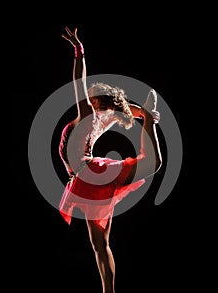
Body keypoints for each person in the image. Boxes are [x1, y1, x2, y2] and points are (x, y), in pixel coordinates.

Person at [58, 26, 162, 293]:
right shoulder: (106, 116)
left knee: (153, 163)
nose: (87, 97)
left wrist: (79, 53)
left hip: (88, 173)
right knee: (99, 246)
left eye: (92, 96)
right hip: (85, 182)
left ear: (96, 100)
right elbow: (131, 111)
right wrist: (146, 114)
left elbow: (78, 83)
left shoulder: (88, 114)